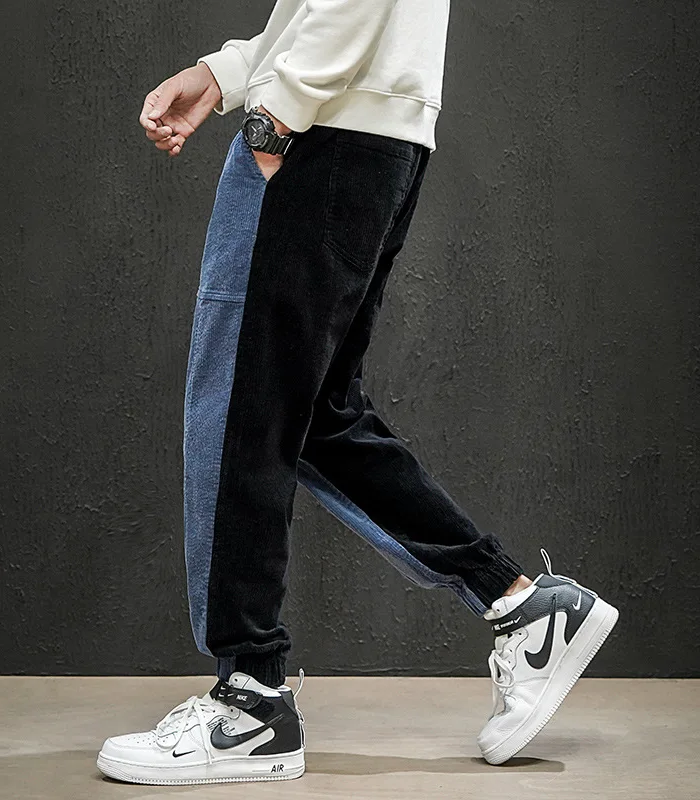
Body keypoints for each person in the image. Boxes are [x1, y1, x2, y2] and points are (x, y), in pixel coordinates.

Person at [96, 0, 618, 786]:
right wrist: (227, 72)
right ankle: (521, 605)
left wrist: (278, 110)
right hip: (372, 135)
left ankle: (250, 702)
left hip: (320, 131)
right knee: (310, 415)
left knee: (241, 409)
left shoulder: (297, 118)